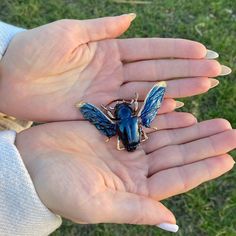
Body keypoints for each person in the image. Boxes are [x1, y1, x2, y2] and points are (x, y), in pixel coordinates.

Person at [0, 14, 235, 235]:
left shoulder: (112, 124)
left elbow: (104, 118)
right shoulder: (139, 117)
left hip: (126, 135)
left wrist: (7, 55)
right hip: (131, 135)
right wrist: (23, 175)